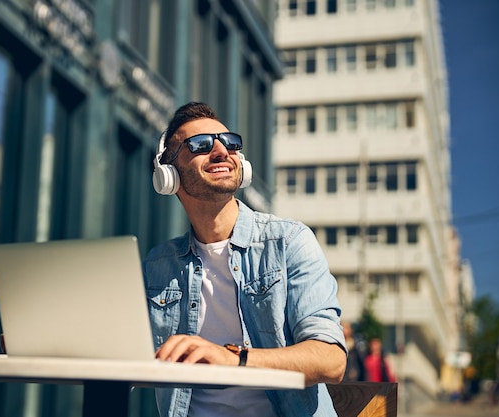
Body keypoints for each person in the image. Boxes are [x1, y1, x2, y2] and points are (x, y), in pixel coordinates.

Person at [143, 102, 347, 417]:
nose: (221, 151)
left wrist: (234, 359)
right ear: (168, 173)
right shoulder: (158, 265)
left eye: (230, 142)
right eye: (200, 145)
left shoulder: (288, 242)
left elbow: (330, 360)